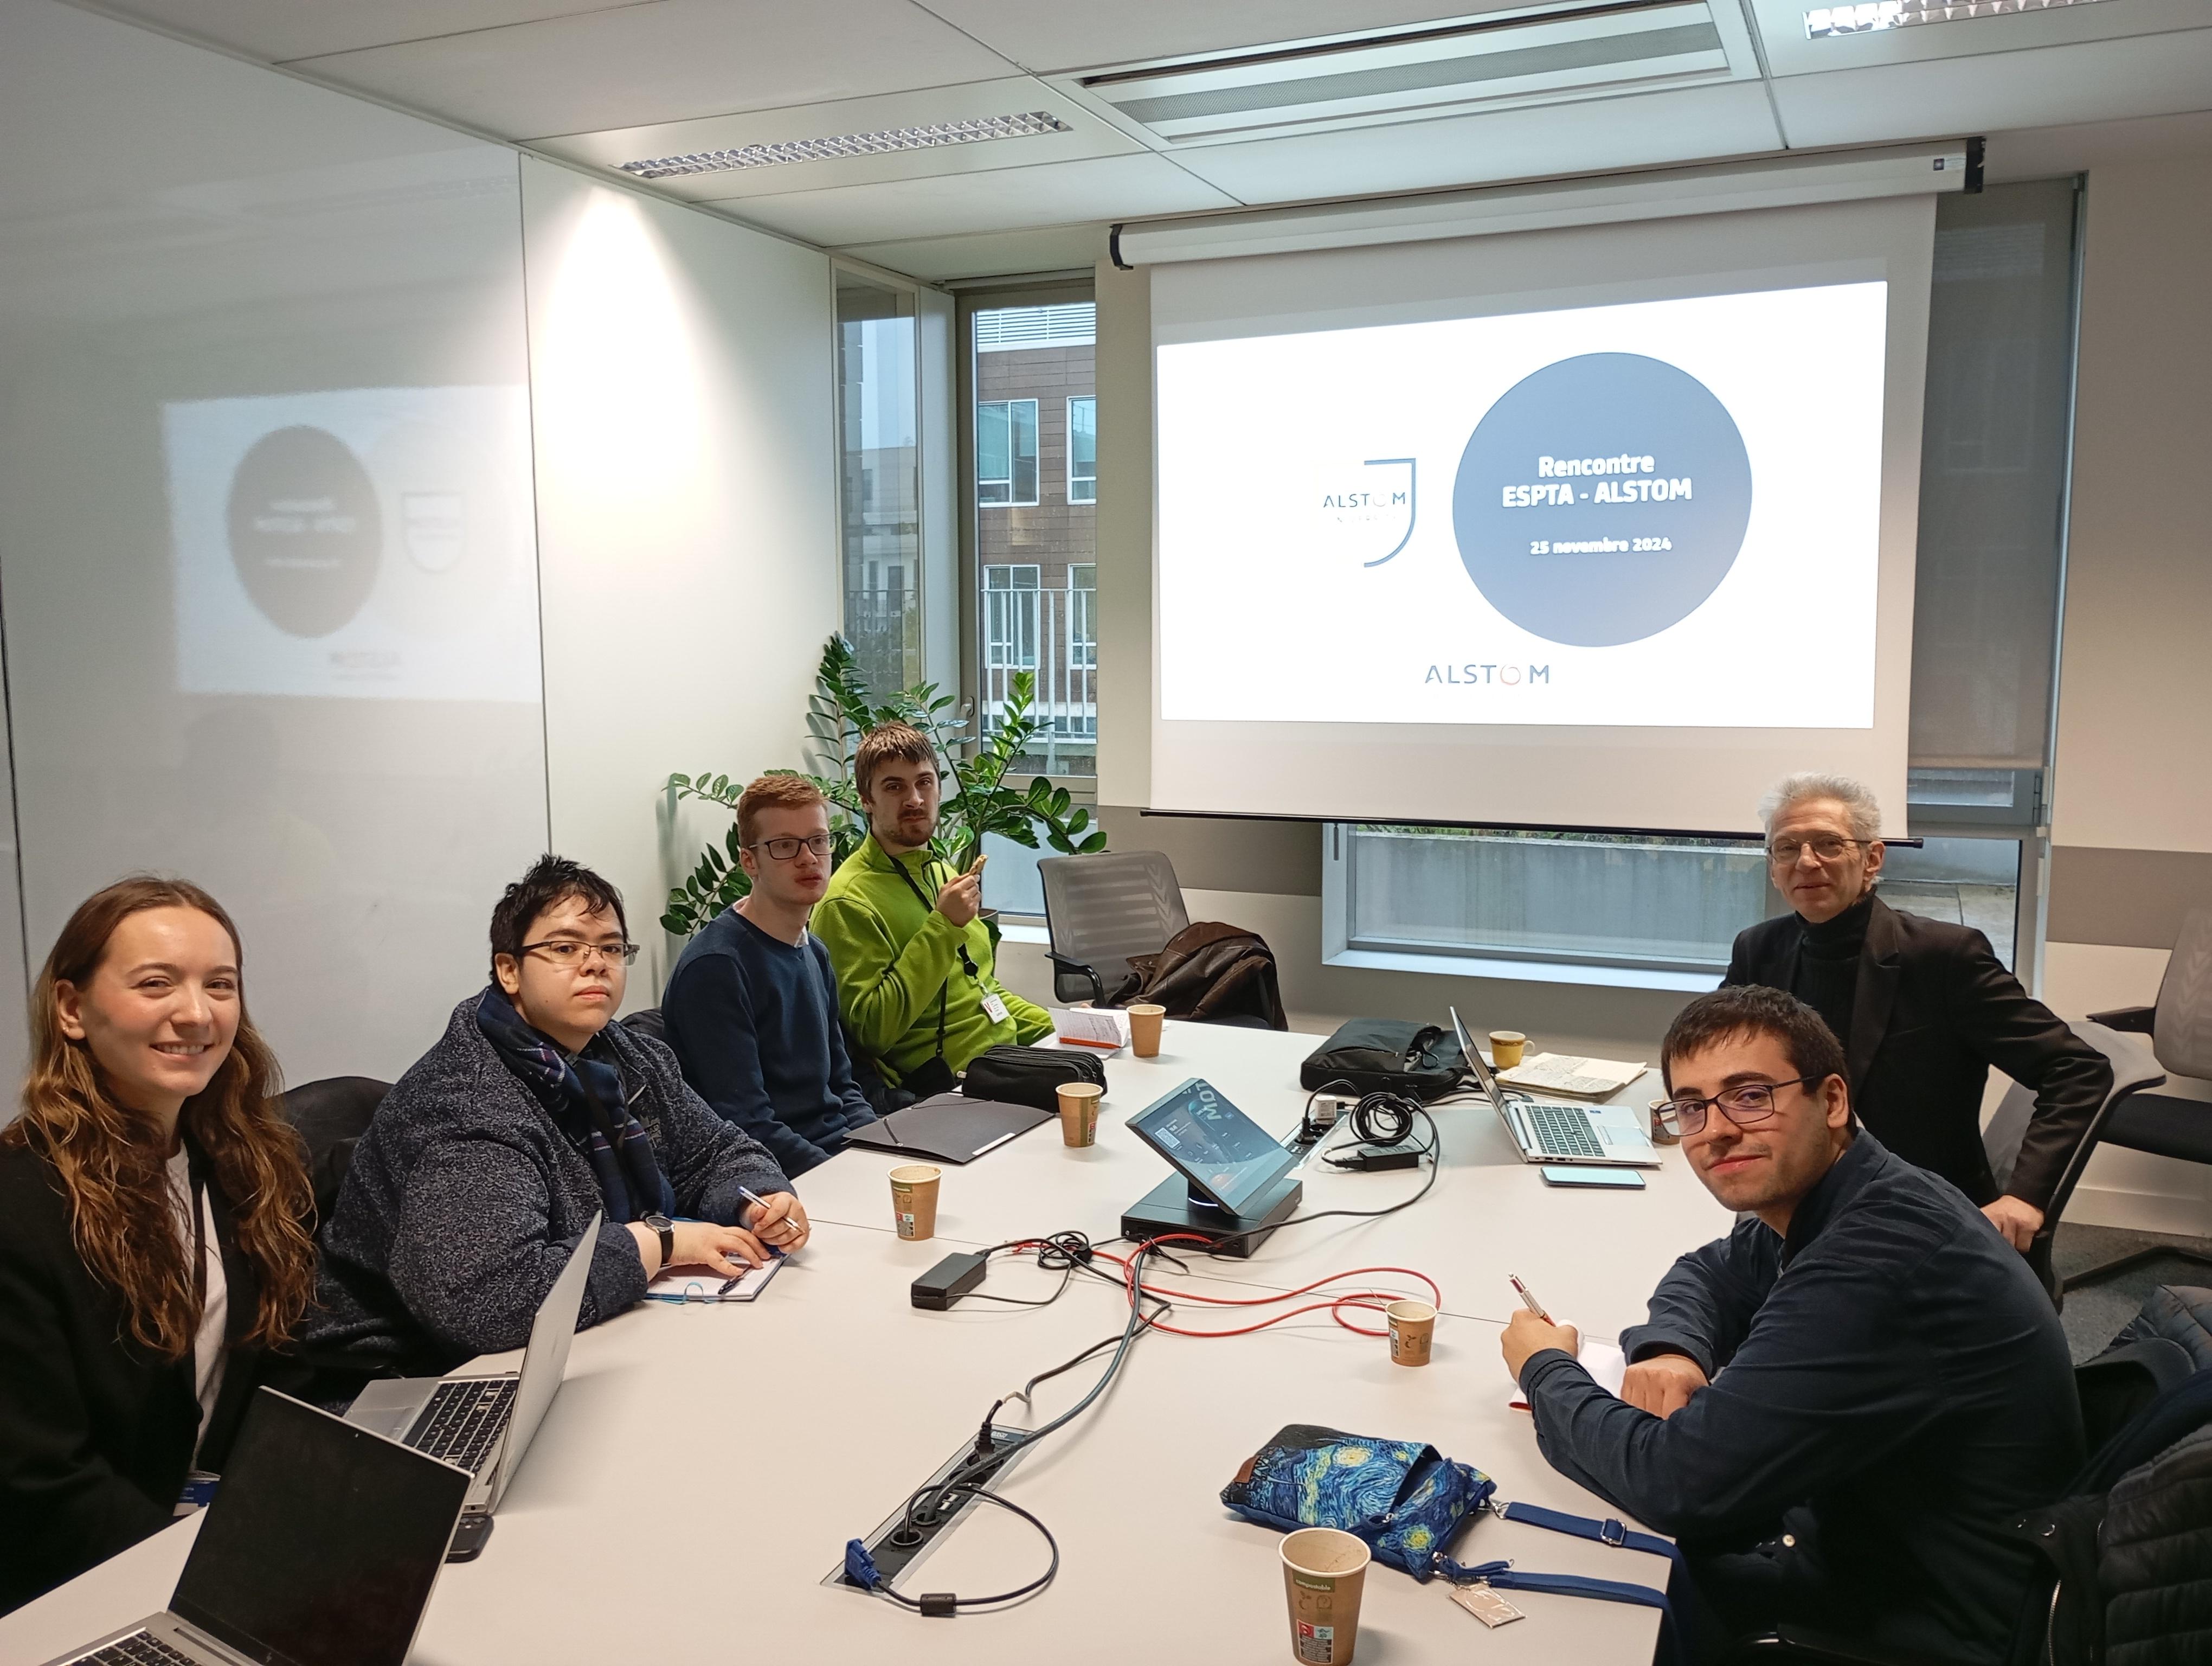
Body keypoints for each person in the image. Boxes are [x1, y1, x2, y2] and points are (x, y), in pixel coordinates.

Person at [1501, 985, 2083, 1664]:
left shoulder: (1877, 1263)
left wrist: (1545, 1369)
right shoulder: (1856, 1189)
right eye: (1692, 1107)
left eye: (1751, 1096)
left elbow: (1678, 1483)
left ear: (1832, 1101)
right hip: (1867, 1536)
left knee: (1555, 1602)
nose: (1717, 1130)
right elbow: (1710, 1272)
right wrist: (1673, 1350)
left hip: (1911, 1620)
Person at [307, 856, 811, 1381]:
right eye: (566, 948)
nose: (596, 964)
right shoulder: (469, 1102)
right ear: (509, 970)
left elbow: (716, 1151)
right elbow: (489, 1301)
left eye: (611, 948)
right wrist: (659, 1242)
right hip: (401, 1374)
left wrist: (758, 1199)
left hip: (580, 1335)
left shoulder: (628, 1056)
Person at [0, 879, 317, 1613]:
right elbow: (38, 1486)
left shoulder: (245, 1165)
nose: (197, 1013)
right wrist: (222, 1575)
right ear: (72, 1009)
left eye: (220, 985)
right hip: (68, 1589)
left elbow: (276, 1374)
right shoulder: (20, 1206)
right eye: (155, 984)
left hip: (203, 1545)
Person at [1722, 772, 2110, 1249]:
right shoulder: (1758, 950)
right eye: (1787, 848)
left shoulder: (1943, 957)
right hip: (1789, 1200)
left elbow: (2077, 1069)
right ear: (1773, 867)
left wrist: (2026, 1197)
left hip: (1920, 1215)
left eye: (1828, 844)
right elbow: (1717, 1059)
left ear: (1872, 859)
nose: (1806, 861)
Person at [812, 722, 1051, 1093]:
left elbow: (983, 991)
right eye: (894, 787)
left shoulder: (940, 871)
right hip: (944, 1091)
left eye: (924, 782)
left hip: (1004, 1063)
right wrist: (943, 926)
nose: (915, 800)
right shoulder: (847, 902)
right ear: (866, 800)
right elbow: (873, 1031)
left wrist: (1062, 1029)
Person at [663, 774, 876, 1176]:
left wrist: (885, 1150)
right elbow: (747, 1124)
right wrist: (844, 1178)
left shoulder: (814, 952)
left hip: (838, 1157)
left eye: (818, 841)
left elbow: (844, 1088)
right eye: (784, 846)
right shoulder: (717, 967)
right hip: (778, 1174)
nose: (809, 858)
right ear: (749, 861)